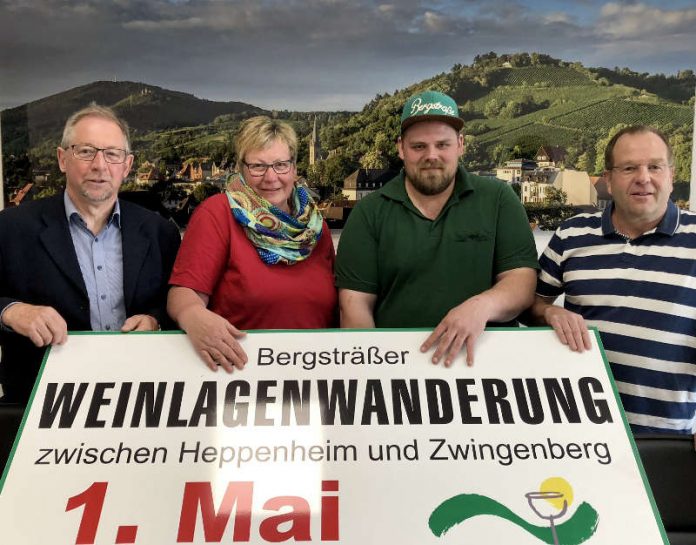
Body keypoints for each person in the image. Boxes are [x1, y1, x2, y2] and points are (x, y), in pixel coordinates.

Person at [335, 90, 538, 366]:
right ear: (400, 148)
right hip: (399, 370)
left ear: (460, 145)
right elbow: (354, 306)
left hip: (489, 367)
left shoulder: (499, 199)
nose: (432, 155)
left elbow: (522, 281)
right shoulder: (369, 212)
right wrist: (375, 371)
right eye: (419, 146)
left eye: (442, 144)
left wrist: (481, 306)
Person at [0, 104, 181, 404]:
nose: (100, 165)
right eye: (86, 151)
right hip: (42, 407)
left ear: (127, 165)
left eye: (112, 154)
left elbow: (175, 303)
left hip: (141, 402)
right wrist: (12, 311)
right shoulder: (10, 228)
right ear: (62, 159)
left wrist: (155, 321)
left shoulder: (160, 232)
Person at [530, 125, 696, 434]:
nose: (643, 178)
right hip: (580, 434)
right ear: (608, 179)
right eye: (629, 168)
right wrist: (550, 312)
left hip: (670, 441)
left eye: (654, 167)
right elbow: (531, 307)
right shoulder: (571, 234)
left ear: (671, 176)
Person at [168, 116, 336, 372]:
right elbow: (182, 295)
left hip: (313, 377)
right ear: (241, 168)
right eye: (258, 166)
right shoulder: (218, 214)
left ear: (294, 167)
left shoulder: (314, 227)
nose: (271, 177)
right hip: (239, 377)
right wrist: (193, 316)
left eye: (281, 165)